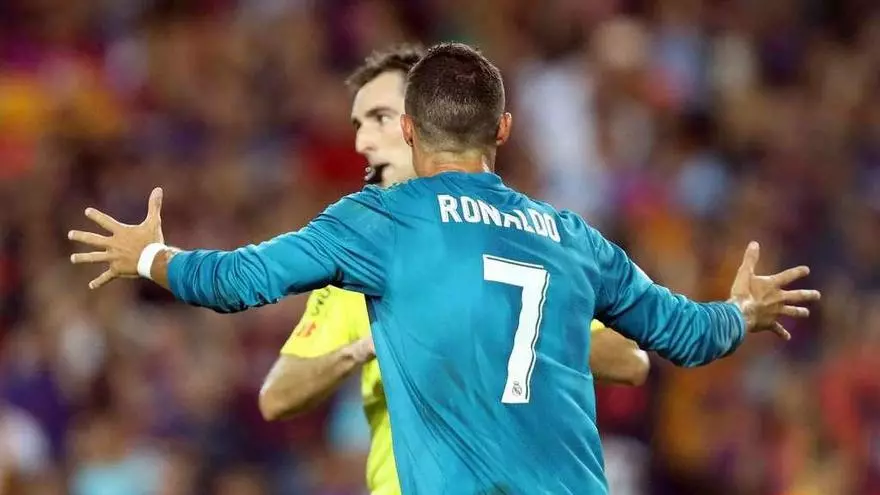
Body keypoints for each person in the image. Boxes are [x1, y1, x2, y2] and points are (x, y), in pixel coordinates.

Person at [68, 42, 820, 494]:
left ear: (408, 129)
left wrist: (150, 257)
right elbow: (687, 335)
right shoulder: (572, 237)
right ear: (503, 129)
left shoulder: (381, 220)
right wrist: (743, 313)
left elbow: (238, 282)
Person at [256, 43, 649, 495]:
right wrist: (364, 348)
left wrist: (515, 330)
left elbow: (630, 361)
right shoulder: (362, 266)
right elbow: (277, 396)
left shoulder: (525, 250)